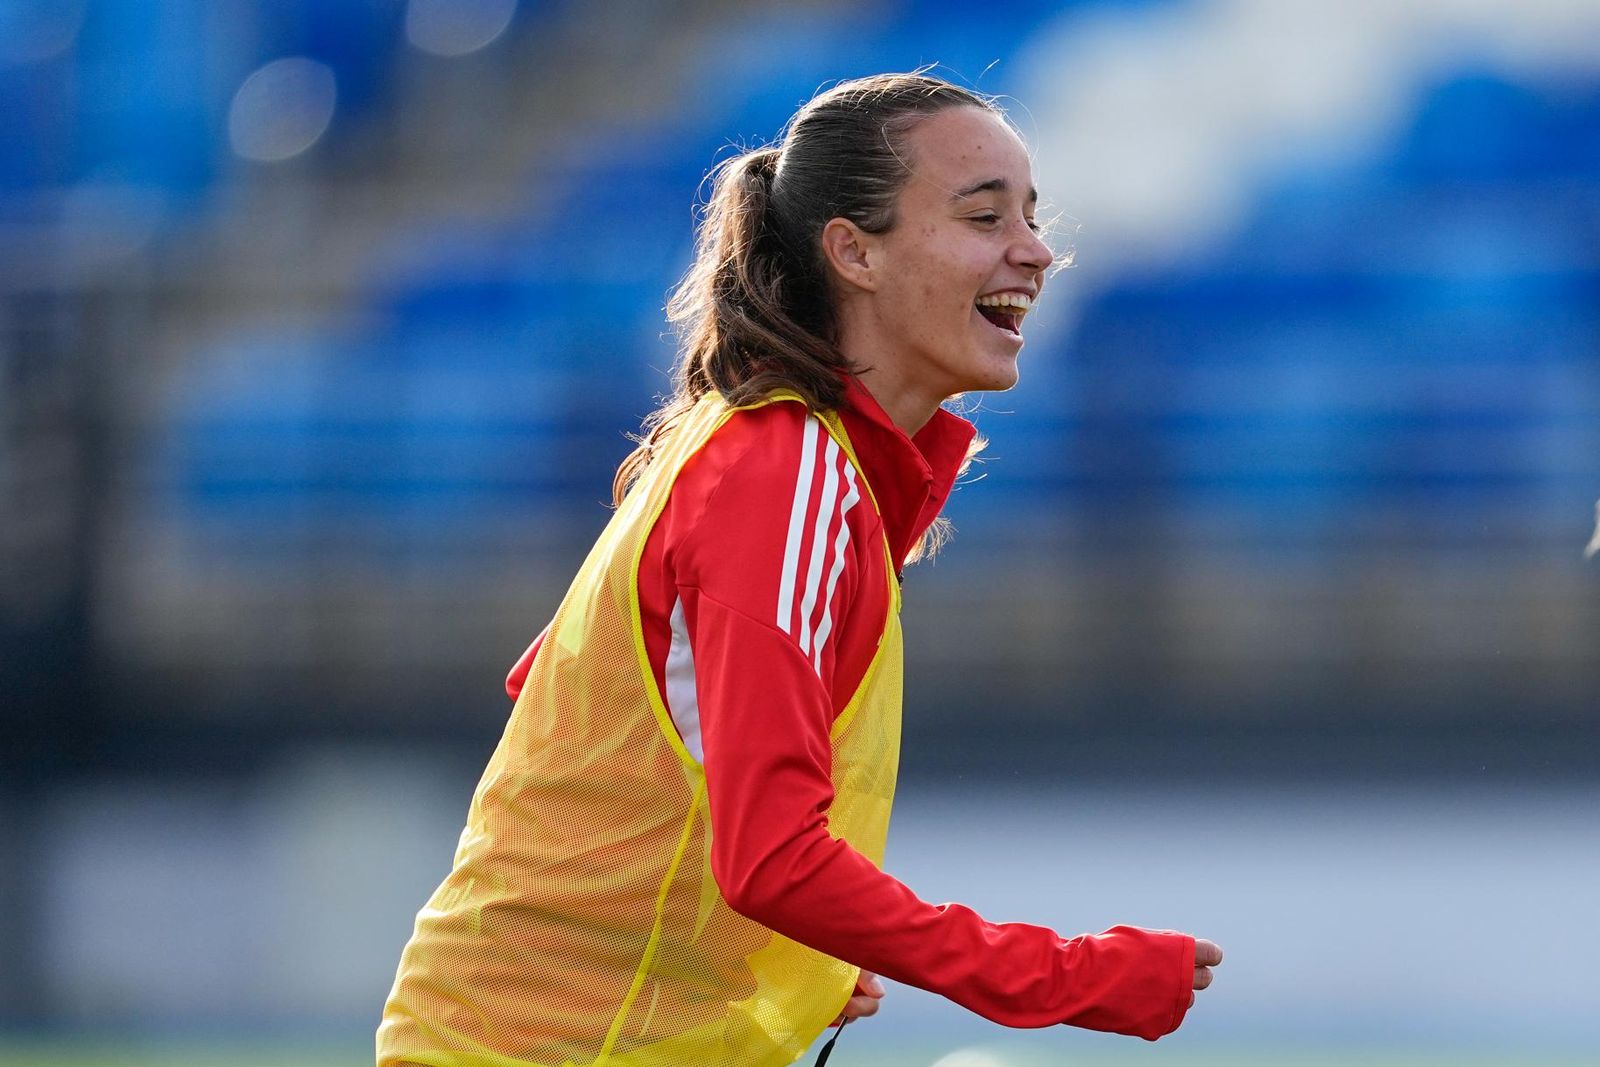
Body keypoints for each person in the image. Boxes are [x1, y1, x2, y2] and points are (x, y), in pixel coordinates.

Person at [377, 71, 1222, 1067]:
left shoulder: (773, 457)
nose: (1034, 250)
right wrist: (1066, 974)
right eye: (984, 214)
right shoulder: (784, 476)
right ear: (852, 250)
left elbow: (600, 728)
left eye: (1031, 216)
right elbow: (768, 856)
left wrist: (790, 949)